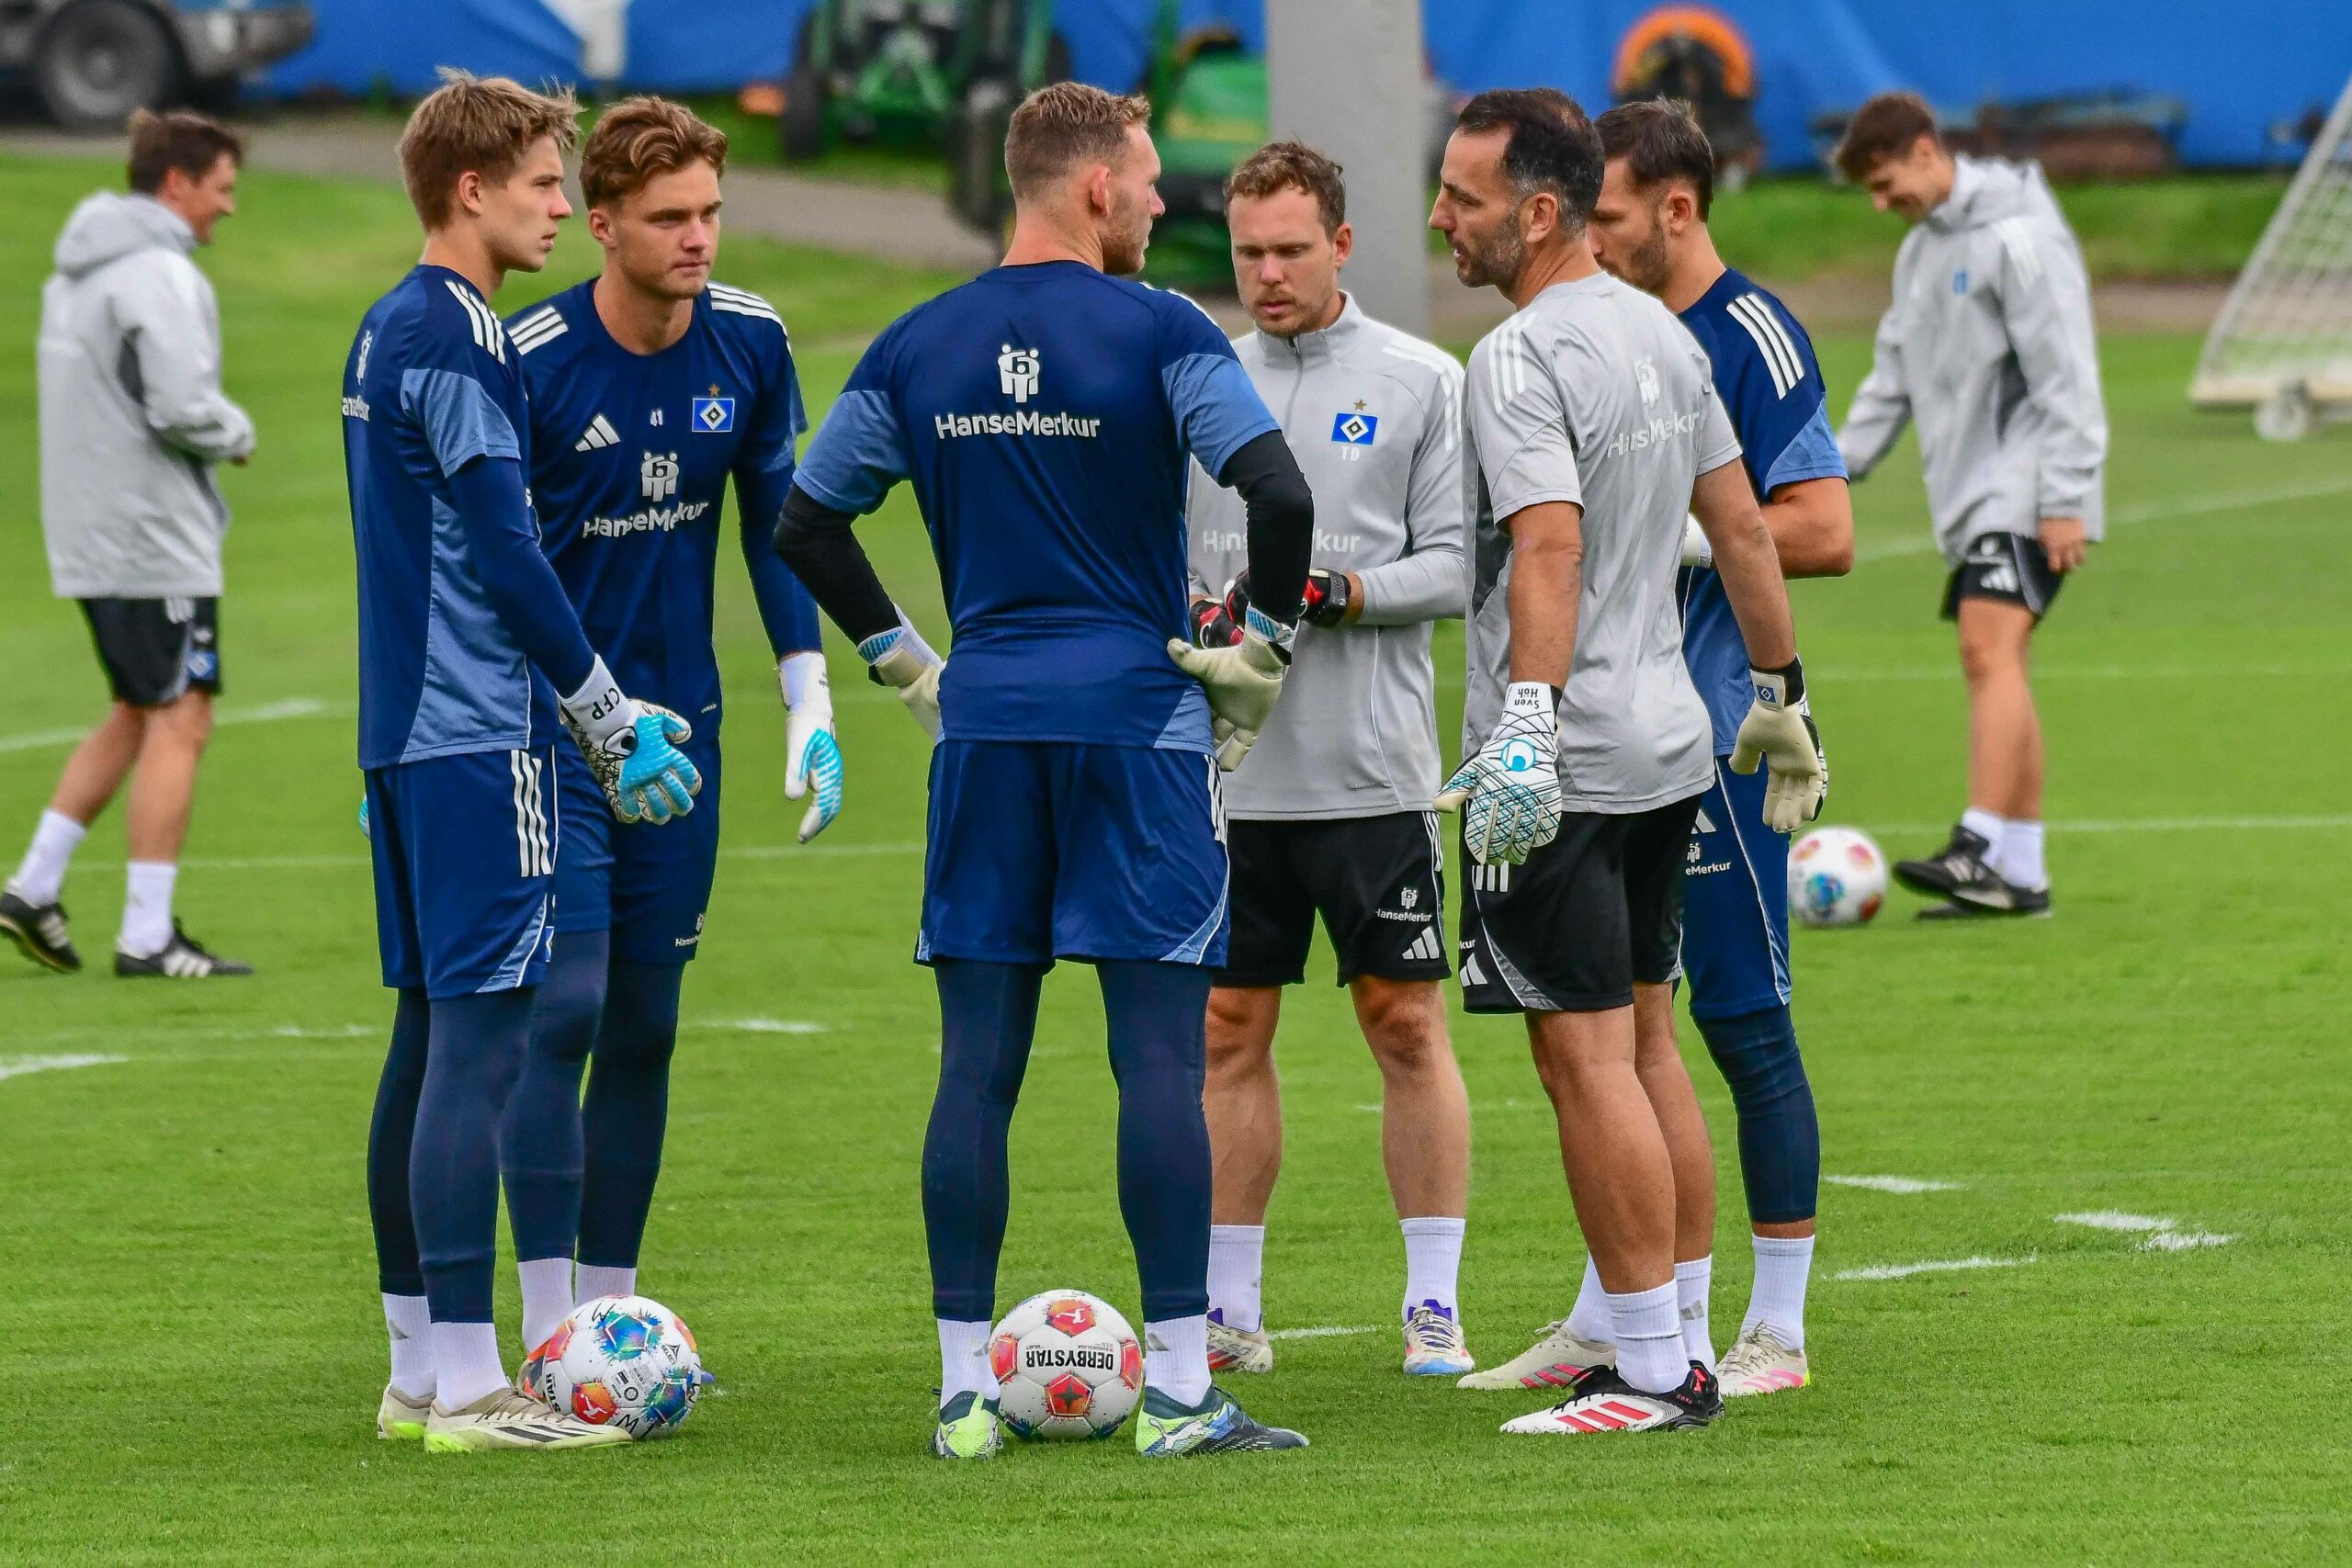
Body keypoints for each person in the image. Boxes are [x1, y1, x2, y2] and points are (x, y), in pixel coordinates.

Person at [775, 82, 1315, 1461]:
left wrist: (907, 663)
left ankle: (964, 1394)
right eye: (1143, 182)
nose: (1155, 203)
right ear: (1089, 188)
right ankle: (1184, 1394)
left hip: (990, 726)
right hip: (1138, 730)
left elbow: (806, 520)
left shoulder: (920, 341)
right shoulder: (1162, 329)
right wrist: (1258, 646)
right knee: (1155, 1059)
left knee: (978, 1068)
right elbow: (1283, 495)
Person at [1429, 87, 1826, 1437]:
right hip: (1669, 746)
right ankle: (1677, 1327)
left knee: (1582, 1056)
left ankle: (1655, 1367)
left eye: (1463, 198)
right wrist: (1781, 694)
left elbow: (1549, 544)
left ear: (1537, 213)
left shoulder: (1520, 358)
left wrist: (1526, 724)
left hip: (1571, 766)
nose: (1442, 220)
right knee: (1649, 1040)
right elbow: (1746, 530)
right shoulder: (1660, 329)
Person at [347, 70, 701, 1454]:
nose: (563, 202)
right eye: (546, 181)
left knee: (429, 1037)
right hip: (477, 733)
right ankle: (473, 1385)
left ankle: (414, 1367)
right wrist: (604, 714)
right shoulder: (465, 336)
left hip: (402, 735)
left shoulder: (388, 327)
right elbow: (508, 550)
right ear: (471, 188)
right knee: (481, 1046)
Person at [492, 96, 839, 1368]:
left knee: (645, 1020)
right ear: (600, 224)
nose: (698, 238)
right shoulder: (528, 356)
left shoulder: (748, 342)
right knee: (564, 1005)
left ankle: (611, 1314)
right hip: (551, 731)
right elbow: (489, 563)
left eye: (710, 212)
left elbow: (777, 522)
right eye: (669, 218)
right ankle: (544, 1326)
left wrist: (807, 692)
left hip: (678, 738)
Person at [1180, 141, 1476, 1380]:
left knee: (1403, 1020)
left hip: (1370, 773)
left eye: (1292, 248)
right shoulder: (1197, 382)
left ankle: (1433, 1303)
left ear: (1343, 243)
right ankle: (1229, 1308)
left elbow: (1459, 567)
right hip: (1232, 779)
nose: (1269, 274)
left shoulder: (1423, 379)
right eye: (1249, 252)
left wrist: (1338, 588)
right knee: (1226, 1026)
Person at [1833, 91, 2107, 918]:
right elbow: (1892, 381)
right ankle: (2019, 871)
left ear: (1926, 150)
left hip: (2027, 491)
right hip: (1975, 499)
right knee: (2001, 662)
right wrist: (1825, 472)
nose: (1884, 205)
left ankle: (1980, 841)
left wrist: (2064, 497)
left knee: (1987, 648)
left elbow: (2068, 374)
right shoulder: (1921, 255)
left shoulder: (2020, 237)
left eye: (1887, 183)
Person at [4, 110, 254, 978]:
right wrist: (237, 431)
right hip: (149, 535)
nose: (227, 209)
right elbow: (181, 404)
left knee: (138, 709)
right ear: (178, 182)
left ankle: (33, 886)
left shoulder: (81, 268)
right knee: (183, 715)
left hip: (92, 526)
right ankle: (146, 934)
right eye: (221, 189)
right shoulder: (156, 272)